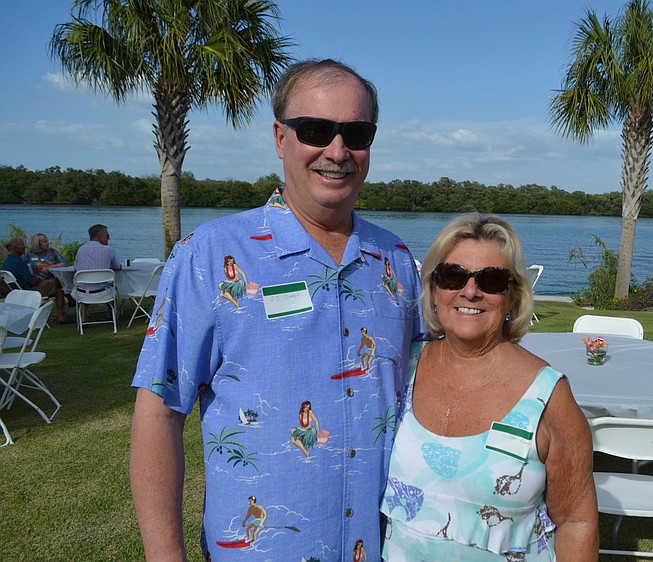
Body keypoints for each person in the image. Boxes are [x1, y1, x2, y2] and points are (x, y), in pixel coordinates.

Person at [130, 58, 424, 561]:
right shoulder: (210, 255)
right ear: (280, 137)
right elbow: (159, 411)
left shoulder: (395, 261)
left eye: (356, 133)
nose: (337, 151)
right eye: (315, 130)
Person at [380, 213, 598, 561]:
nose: (470, 291)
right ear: (434, 290)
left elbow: (576, 520)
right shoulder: (399, 369)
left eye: (491, 280)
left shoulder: (548, 395)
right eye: (453, 276)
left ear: (512, 298)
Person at [2, 236, 71, 323]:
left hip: (16, 292)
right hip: (28, 292)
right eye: (22, 245)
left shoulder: (7, 262)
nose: (25, 247)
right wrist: (38, 279)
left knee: (59, 290)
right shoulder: (19, 263)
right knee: (58, 283)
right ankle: (62, 314)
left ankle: (61, 315)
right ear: (15, 248)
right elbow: (33, 282)